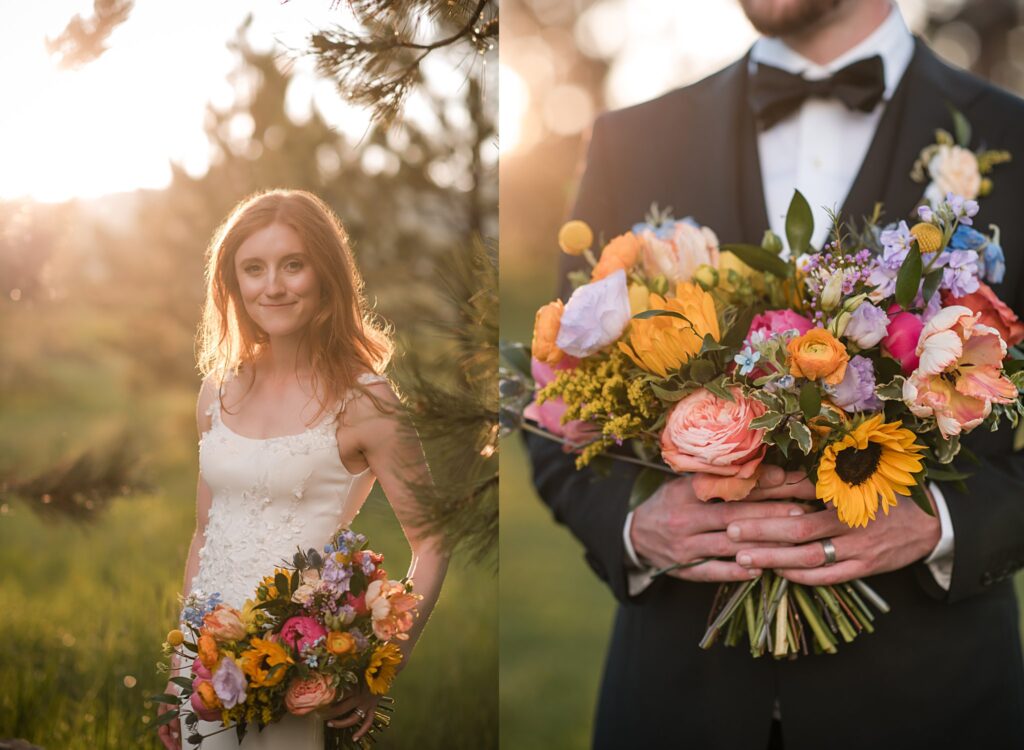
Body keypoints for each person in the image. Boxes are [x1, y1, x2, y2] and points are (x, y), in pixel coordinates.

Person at [526, 1, 1024, 748]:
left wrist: (944, 525)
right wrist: (631, 525)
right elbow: (553, 400)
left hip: (934, 707)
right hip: (674, 706)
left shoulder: (1011, 137)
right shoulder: (632, 139)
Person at [157, 189, 448, 749]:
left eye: (293, 264)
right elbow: (205, 533)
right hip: (209, 668)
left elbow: (434, 541)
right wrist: (181, 663)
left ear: (326, 274)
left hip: (300, 669)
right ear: (233, 283)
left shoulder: (366, 400)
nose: (273, 285)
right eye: (254, 268)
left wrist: (381, 670)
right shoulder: (218, 389)